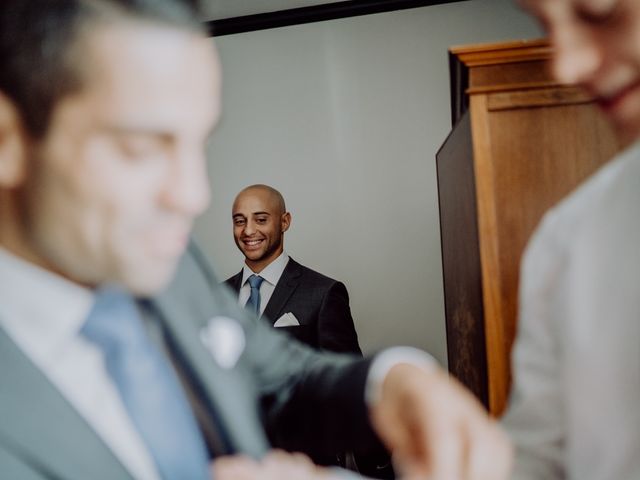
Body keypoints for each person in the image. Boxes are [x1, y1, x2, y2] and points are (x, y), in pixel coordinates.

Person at [0, 1, 511, 480]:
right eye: (140, 147)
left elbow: (280, 377)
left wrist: (392, 387)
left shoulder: (172, 266)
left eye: (198, 142)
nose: (192, 194)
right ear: (9, 139)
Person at [502, 1, 640, 479]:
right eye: (543, 23)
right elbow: (537, 459)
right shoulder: (565, 240)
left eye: (598, 10)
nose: (567, 66)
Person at [225, 184, 361, 354]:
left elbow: (344, 374)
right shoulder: (216, 294)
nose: (248, 230)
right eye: (239, 221)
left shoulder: (323, 294)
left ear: (284, 222)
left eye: (261, 220)